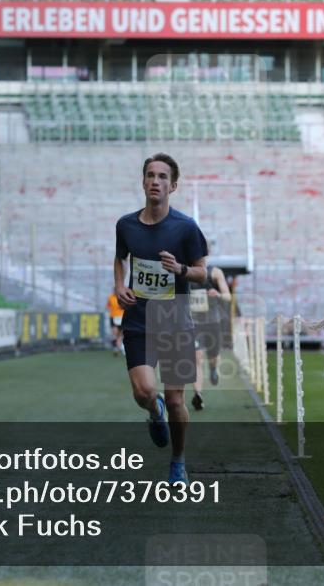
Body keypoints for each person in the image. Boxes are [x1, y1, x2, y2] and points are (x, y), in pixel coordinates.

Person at [114, 153, 207, 485]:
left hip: (175, 320)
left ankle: (178, 461)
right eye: (150, 175)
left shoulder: (186, 227)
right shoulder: (126, 225)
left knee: (175, 399)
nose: (155, 181)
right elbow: (120, 258)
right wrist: (119, 286)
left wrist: (179, 269)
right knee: (144, 392)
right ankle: (155, 413)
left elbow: (202, 273)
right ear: (143, 181)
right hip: (139, 319)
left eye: (162, 176)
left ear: (173, 186)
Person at [188, 264, 232, 411]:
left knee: (213, 357)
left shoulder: (215, 272)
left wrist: (218, 294)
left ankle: (213, 369)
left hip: (213, 322)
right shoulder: (184, 271)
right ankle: (198, 395)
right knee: (197, 357)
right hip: (194, 323)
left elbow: (228, 296)